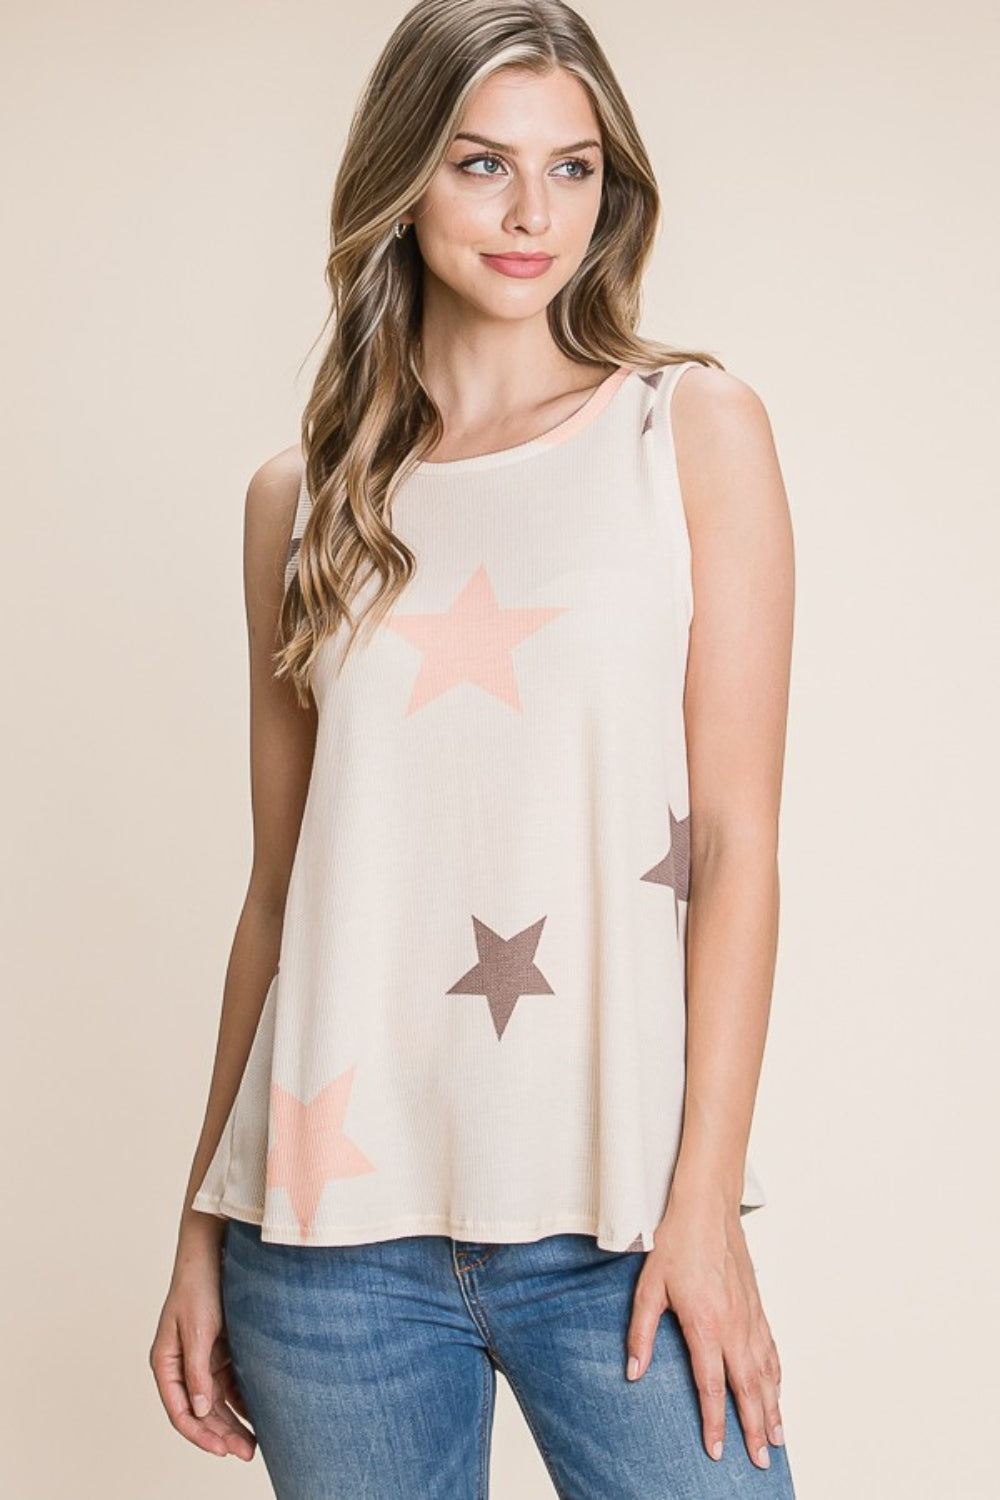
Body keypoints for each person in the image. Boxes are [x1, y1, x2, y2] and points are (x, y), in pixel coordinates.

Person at [149, 2, 797, 1495]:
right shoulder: (302, 500)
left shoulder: (687, 431)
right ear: (402, 175)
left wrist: (704, 1204)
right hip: (324, 1246)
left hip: (617, 1220)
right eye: (482, 162)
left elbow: (738, 845)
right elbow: (279, 894)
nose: (532, 215)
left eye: (573, 168)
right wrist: (200, 1220)